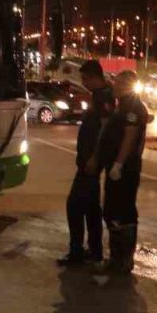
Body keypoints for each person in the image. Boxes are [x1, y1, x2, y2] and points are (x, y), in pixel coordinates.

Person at [57, 60, 116, 266]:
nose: (83, 82)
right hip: (89, 160)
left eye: (84, 78)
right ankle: (95, 250)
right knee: (91, 208)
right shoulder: (102, 94)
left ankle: (76, 252)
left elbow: (104, 128)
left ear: (93, 77)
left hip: (90, 162)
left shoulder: (103, 97)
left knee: (74, 205)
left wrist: (95, 157)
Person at [96, 69, 149, 275]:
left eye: (118, 83)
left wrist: (118, 164)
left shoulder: (133, 107)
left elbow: (130, 136)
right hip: (117, 167)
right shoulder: (123, 105)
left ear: (126, 85)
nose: (114, 87)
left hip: (125, 168)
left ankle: (123, 260)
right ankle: (117, 258)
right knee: (112, 209)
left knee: (123, 210)